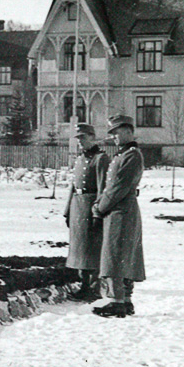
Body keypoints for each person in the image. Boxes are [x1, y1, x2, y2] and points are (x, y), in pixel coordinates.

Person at [91, 114, 146, 317]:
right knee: (121, 254)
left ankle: (117, 301)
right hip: (119, 210)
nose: (114, 136)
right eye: (112, 133)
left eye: (117, 132)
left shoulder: (132, 155)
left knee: (116, 254)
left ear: (129, 131)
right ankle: (124, 300)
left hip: (120, 210)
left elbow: (117, 188)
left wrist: (99, 207)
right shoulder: (122, 155)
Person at [63, 123, 109, 301]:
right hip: (77, 207)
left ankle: (94, 288)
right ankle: (83, 285)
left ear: (92, 137)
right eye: (78, 139)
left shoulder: (101, 159)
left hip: (91, 207)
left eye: (83, 138)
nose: (80, 142)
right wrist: (67, 211)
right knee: (80, 248)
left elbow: (102, 188)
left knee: (93, 248)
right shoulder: (79, 159)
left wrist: (98, 212)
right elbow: (73, 187)